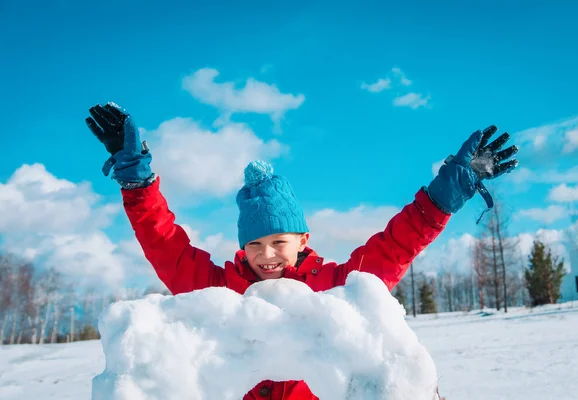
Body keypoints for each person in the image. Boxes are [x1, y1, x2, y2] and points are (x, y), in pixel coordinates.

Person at [86, 102, 518, 400]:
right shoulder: (217, 289)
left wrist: (445, 195)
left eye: (278, 242)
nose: (266, 255)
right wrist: (137, 183)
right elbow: (166, 245)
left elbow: (396, 244)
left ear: (303, 241)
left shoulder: (334, 287)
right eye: (254, 244)